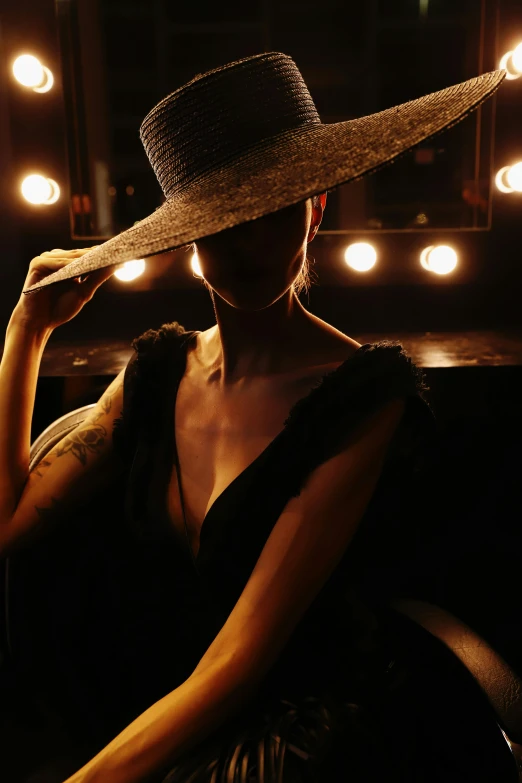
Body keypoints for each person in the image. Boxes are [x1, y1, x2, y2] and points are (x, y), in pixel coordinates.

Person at [2, 53, 507, 782]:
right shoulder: (155, 375)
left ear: (319, 206)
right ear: (186, 234)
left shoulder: (365, 395)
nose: (252, 241)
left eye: (277, 207)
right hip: (166, 705)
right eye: (225, 218)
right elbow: (8, 525)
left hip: (300, 733)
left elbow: (241, 662)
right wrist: (26, 333)